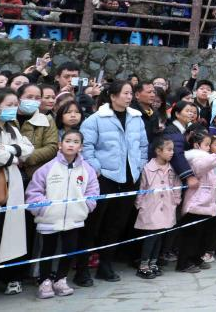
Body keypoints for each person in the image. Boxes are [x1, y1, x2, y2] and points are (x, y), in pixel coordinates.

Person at [76, 80, 149, 286]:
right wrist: (97, 169)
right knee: (92, 226)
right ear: (113, 96)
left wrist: (139, 166)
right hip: (104, 180)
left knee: (115, 225)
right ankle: (81, 269)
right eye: (125, 93)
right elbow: (87, 147)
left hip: (129, 179)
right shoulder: (96, 119)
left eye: (130, 93)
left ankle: (105, 265)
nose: (129, 97)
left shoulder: (136, 118)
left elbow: (143, 145)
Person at [25, 130, 100, 299]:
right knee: (48, 251)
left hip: (74, 219)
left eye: (75, 142)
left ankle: (61, 279)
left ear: (80, 147)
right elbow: (34, 191)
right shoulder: (47, 168)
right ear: (60, 144)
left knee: (69, 250)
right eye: (67, 140)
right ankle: (44, 281)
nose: (71, 144)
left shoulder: (87, 169)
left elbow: (93, 191)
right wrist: (43, 209)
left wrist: (86, 206)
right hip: (49, 220)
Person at [0, 88, 34, 299]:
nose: (14, 108)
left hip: (12, 188)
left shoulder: (13, 129)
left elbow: (28, 148)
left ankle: (9, 278)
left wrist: (10, 150)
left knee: (9, 235)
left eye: (16, 104)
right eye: (9, 104)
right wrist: (13, 153)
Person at [177, 128, 216, 273]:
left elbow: (211, 175)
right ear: (197, 145)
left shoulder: (207, 159)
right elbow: (200, 168)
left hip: (207, 202)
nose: (209, 148)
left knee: (204, 235)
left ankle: (197, 258)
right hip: (195, 202)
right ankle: (184, 263)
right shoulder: (194, 158)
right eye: (206, 144)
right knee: (191, 236)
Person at [135, 137, 181, 278]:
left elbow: (176, 184)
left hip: (167, 205)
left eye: (172, 149)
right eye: (168, 150)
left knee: (160, 235)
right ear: (158, 151)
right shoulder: (148, 168)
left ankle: (153, 263)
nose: (171, 152)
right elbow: (142, 187)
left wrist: (175, 200)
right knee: (150, 237)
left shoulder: (172, 168)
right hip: (151, 206)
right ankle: (143, 265)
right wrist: (140, 204)